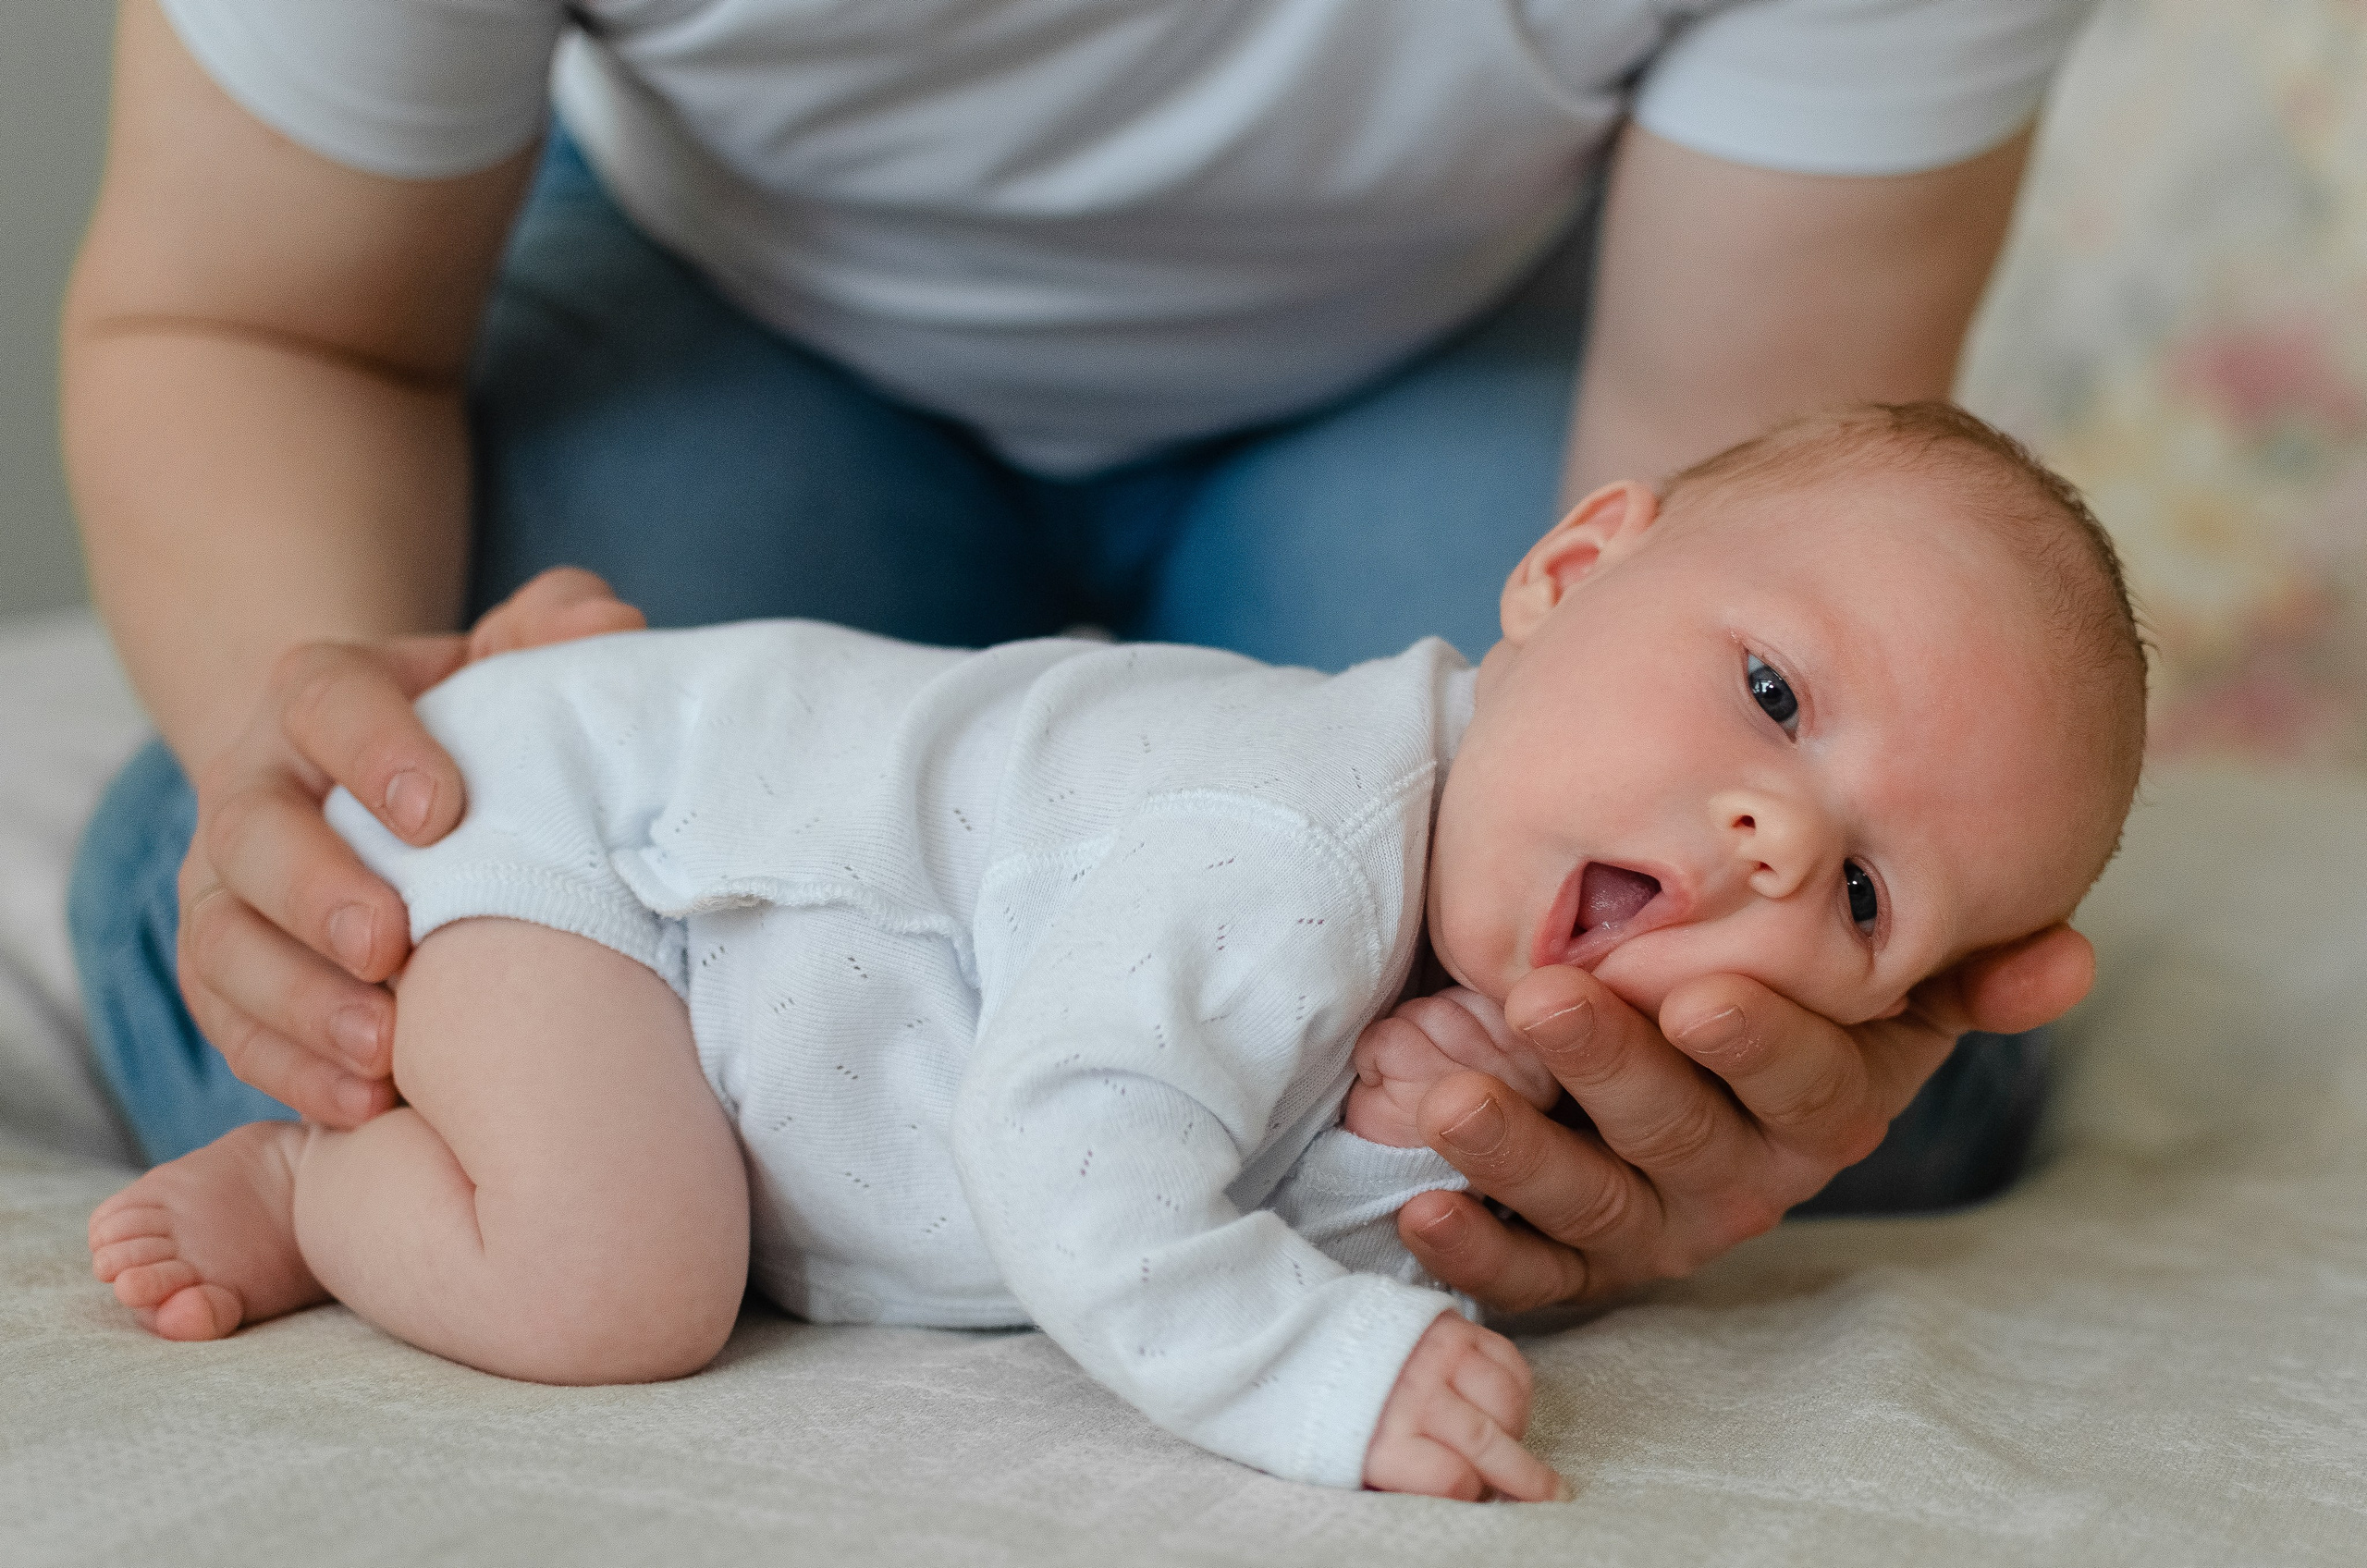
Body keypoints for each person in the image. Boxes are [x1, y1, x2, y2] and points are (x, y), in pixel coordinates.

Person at [62, 0, 2107, 1318]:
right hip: (735, 313)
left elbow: (1794, 576)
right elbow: (251, 320)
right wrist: (299, 744)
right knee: (382, 899)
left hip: (1426, 349)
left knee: (1827, 1075)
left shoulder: (1630, 585)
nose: (1779, 830)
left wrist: (1640, 1129)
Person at [88, 404, 2149, 1501]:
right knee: (614, 1276)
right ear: (1566, 570)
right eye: (1773, 693)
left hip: (707, 945)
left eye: (1867, 900)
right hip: (596, 846)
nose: (1776, 836)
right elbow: (1077, 1136)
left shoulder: (1480, 977)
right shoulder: (1288, 829)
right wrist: (1317, 1370)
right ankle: (303, 1181)